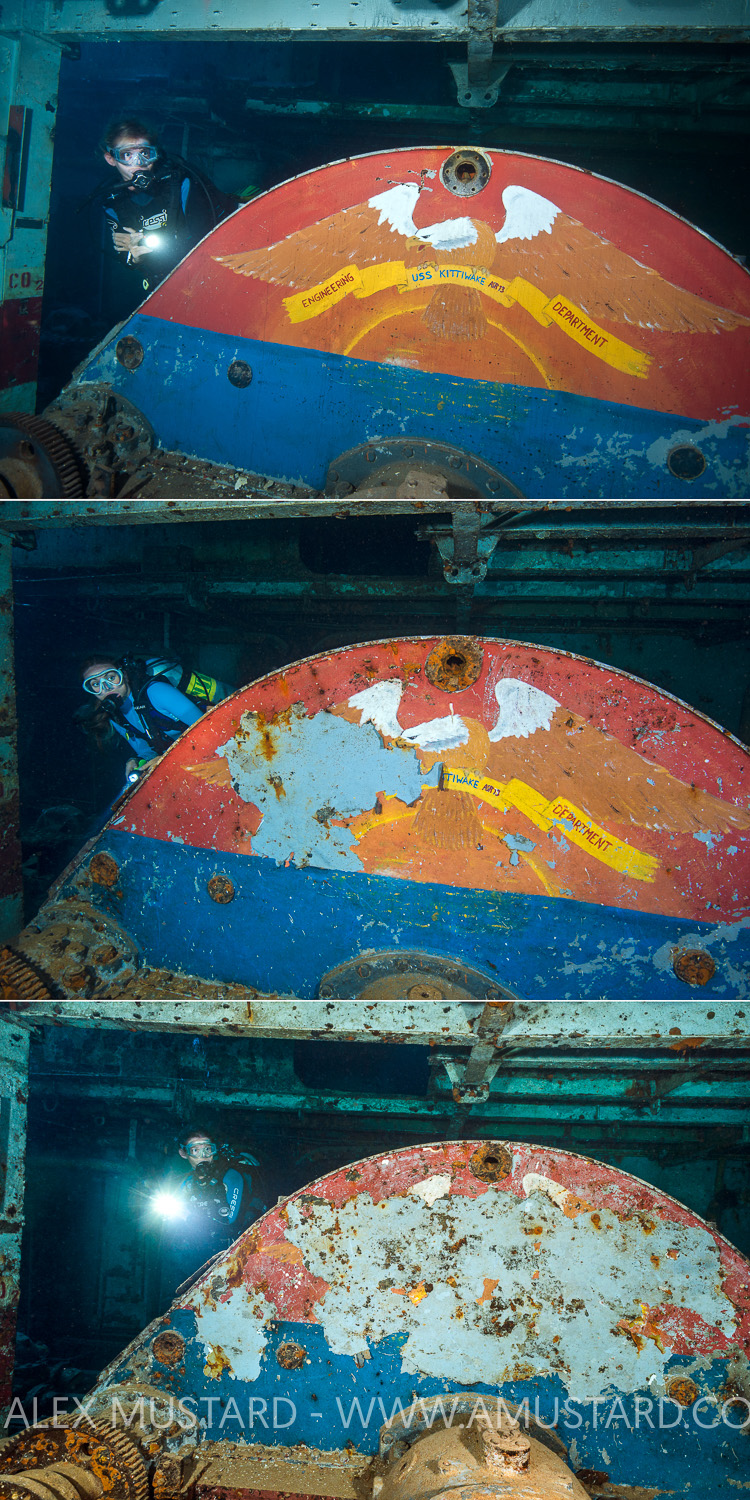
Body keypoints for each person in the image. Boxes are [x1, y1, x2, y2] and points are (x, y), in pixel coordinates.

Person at [100, 118, 227, 298]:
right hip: (160, 287)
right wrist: (135, 257)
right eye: (127, 155)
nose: (139, 162)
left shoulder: (180, 184)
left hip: (202, 278)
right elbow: (127, 259)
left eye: (145, 153)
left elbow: (205, 241)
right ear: (111, 159)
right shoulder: (112, 202)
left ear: (155, 154)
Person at [80, 655, 204, 782]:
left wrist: (169, 759)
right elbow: (147, 750)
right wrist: (137, 760)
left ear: (124, 675)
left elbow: (208, 730)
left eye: (111, 678)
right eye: (96, 684)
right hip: (190, 759)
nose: (106, 687)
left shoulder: (156, 691)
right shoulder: (116, 717)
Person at [177, 1130, 267, 1238]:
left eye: (208, 1149)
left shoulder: (231, 1177)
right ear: (183, 1153)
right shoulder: (188, 1182)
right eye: (195, 1150)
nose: (204, 1156)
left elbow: (231, 1223)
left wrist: (190, 1219)